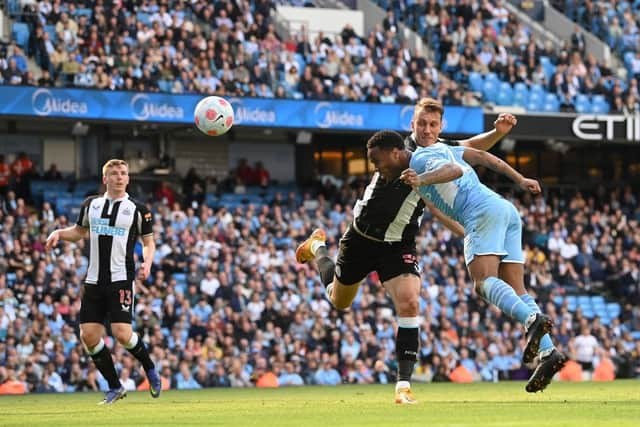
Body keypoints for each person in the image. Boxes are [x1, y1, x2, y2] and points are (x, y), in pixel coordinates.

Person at [296, 97, 517, 404]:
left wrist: (498, 133)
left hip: (399, 244)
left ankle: (403, 386)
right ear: (412, 126)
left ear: (440, 127)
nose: (427, 129)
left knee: (410, 302)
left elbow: (470, 148)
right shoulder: (399, 150)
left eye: (433, 125)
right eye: (421, 123)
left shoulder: (438, 151)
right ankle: (318, 247)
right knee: (339, 300)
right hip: (361, 238)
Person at [399, 119, 567, 392]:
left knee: (482, 282)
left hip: (481, 213)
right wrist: (520, 178)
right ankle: (549, 353)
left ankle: (532, 321)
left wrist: (422, 179)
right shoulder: (448, 148)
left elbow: (451, 173)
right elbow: (483, 156)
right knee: (517, 289)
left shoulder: (420, 159)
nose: (427, 130)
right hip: (505, 209)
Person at [45, 159, 161, 405]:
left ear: (128, 179)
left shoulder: (139, 209)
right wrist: (58, 233)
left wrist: (148, 263)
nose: (119, 177)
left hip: (121, 279)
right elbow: (78, 233)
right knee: (88, 336)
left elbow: (149, 242)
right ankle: (114, 386)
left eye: (123, 173)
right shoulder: (91, 205)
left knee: (121, 334)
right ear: (104, 179)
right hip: (94, 280)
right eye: (114, 173)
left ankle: (149, 368)